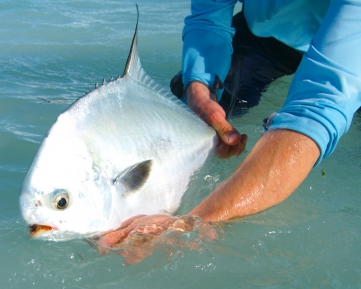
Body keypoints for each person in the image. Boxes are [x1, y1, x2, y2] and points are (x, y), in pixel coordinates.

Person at [97, 0, 361, 263]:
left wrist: (195, 221)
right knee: (188, 95)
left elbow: (318, 109)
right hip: (270, 34)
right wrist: (200, 94)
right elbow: (209, 17)